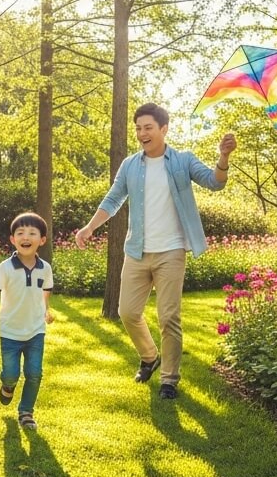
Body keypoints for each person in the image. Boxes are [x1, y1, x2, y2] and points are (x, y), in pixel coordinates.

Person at [74, 103, 235, 400]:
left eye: (147, 127)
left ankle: (169, 380)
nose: (141, 133)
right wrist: (89, 227)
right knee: (127, 312)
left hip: (171, 251)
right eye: (138, 128)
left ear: (163, 129)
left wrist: (223, 157)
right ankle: (149, 356)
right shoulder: (130, 165)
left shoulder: (182, 161)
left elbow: (215, 183)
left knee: (168, 316)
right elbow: (112, 200)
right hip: (137, 250)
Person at [0, 212, 55, 430]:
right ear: (13, 239)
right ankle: (7, 386)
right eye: (20, 232)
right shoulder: (6, 267)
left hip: (36, 331)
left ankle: (26, 412)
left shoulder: (45, 268)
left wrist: (47, 310)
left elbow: (45, 292)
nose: (26, 236)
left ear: (42, 240)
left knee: (34, 373)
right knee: (11, 374)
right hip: (10, 332)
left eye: (32, 233)